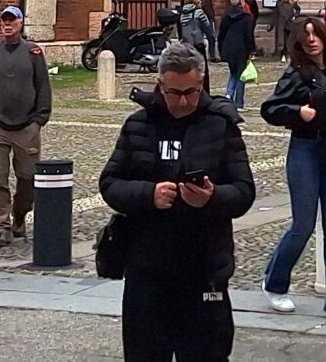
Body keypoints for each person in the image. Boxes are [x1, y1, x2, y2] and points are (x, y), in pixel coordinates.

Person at [98, 41, 257, 362]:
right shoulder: (138, 124)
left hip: (204, 268)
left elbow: (244, 191)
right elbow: (110, 183)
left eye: (191, 92)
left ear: (201, 83)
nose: (183, 101)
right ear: (160, 84)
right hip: (147, 268)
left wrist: (212, 197)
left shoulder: (220, 125)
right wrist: (149, 195)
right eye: (174, 93)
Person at [260, 14, 326, 320]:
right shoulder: (296, 73)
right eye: (306, 36)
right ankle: (275, 283)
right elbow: (270, 108)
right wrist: (296, 112)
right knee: (302, 225)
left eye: (315, 34)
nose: (312, 40)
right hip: (305, 150)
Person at [0, 3, 52, 246]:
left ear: (20, 23)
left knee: (28, 177)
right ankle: (1, 226)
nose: (8, 24)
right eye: (4, 20)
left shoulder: (33, 52)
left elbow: (43, 86)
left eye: (12, 20)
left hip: (27, 125)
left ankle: (19, 214)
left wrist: (39, 119)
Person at [217, 0, 258, 106]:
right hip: (241, 48)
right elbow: (249, 35)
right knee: (241, 74)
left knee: (233, 72)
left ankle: (229, 94)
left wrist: (221, 49)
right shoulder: (247, 18)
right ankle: (238, 101)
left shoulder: (226, 16)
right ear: (241, 2)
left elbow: (221, 34)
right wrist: (252, 50)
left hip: (228, 47)